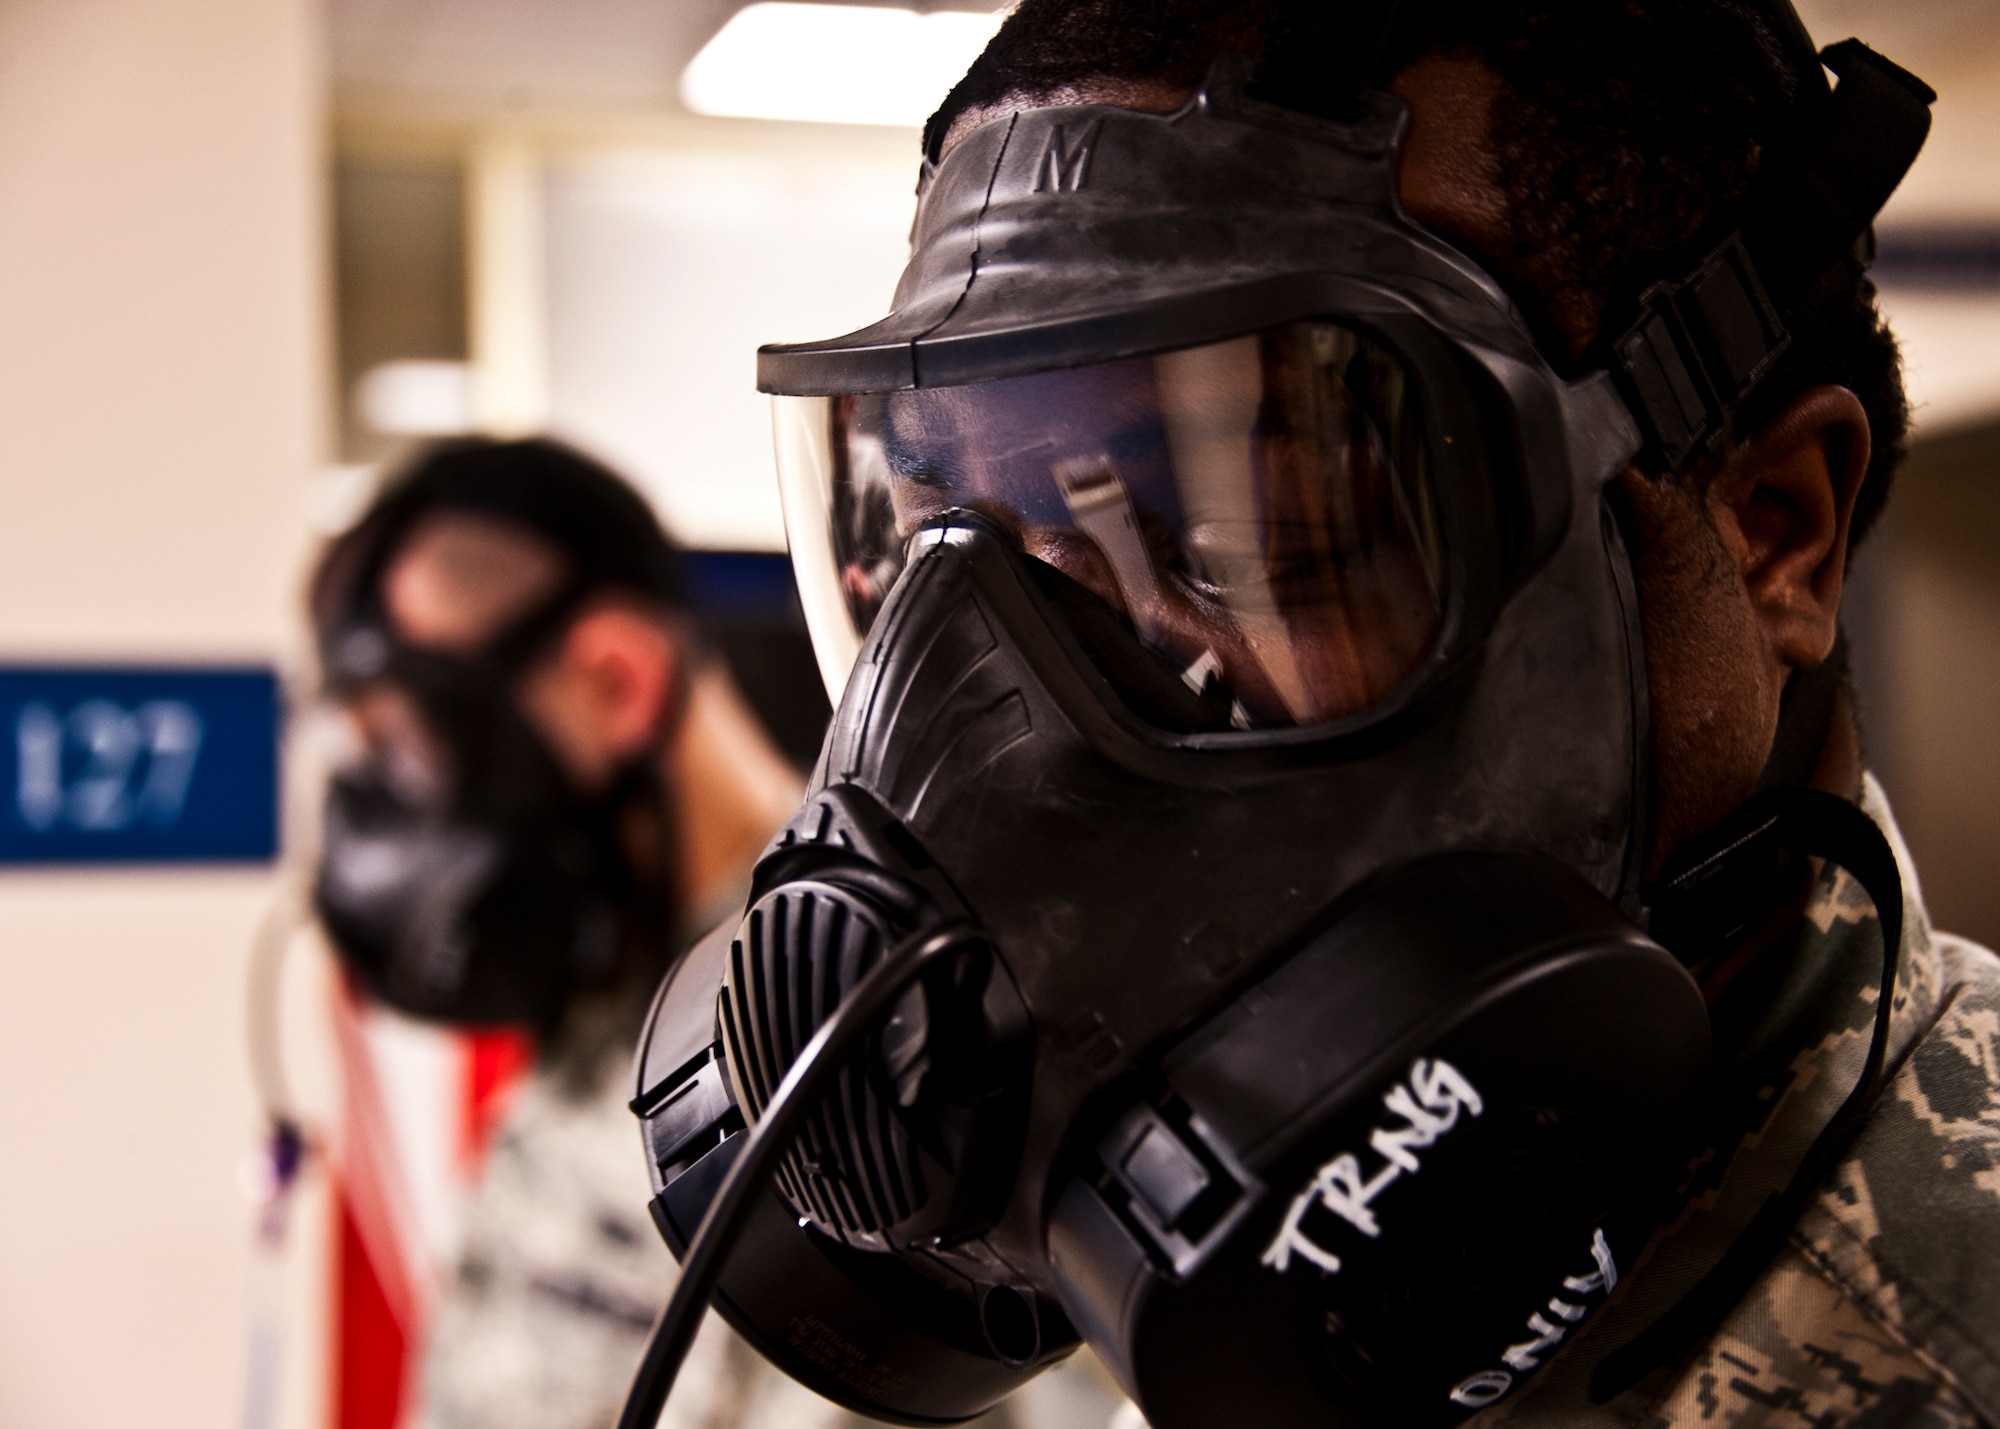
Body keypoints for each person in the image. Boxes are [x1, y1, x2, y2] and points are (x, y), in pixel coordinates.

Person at [622, 2, 2000, 1427]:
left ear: (1774, 532)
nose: (990, 748)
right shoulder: (1299, 1346)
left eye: (1240, 543)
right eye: (927, 536)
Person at [307, 438, 871, 1429]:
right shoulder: (620, 988)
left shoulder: (853, 1033)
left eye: (418, 747)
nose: (405, 816)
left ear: (617, 681)